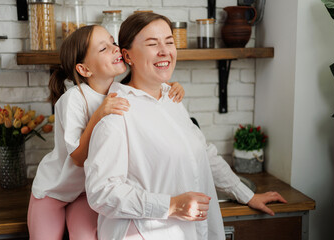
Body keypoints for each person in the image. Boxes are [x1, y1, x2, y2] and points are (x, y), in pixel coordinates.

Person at [84, 12, 287, 240]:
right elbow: (102, 192)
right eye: (152, 43)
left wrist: (246, 195)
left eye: (169, 42)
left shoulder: (171, 98)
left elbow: (202, 153)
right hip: (144, 233)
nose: (164, 51)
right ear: (127, 55)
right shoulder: (118, 110)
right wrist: (170, 205)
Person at [27, 24, 185, 240]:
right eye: (103, 48)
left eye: (113, 42)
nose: (115, 49)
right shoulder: (73, 99)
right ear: (84, 69)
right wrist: (98, 115)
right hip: (53, 191)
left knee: (85, 236)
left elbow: (151, 90)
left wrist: (173, 87)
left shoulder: (118, 91)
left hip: (85, 193)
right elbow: (78, 158)